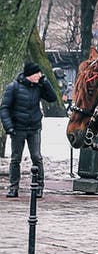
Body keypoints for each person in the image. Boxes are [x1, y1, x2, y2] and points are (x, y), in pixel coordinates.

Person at [1, 62, 58, 198]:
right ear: (30, 75)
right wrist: (8, 126)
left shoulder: (39, 86)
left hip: (34, 127)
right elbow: (4, 108)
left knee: (37, 157)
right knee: (16, 159)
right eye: (37, 73)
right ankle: (13, 187)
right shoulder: (13, 87)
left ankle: (39, 187)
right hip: (18, 128)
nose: (40, 75)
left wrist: (46, 83)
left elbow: (52, 98)